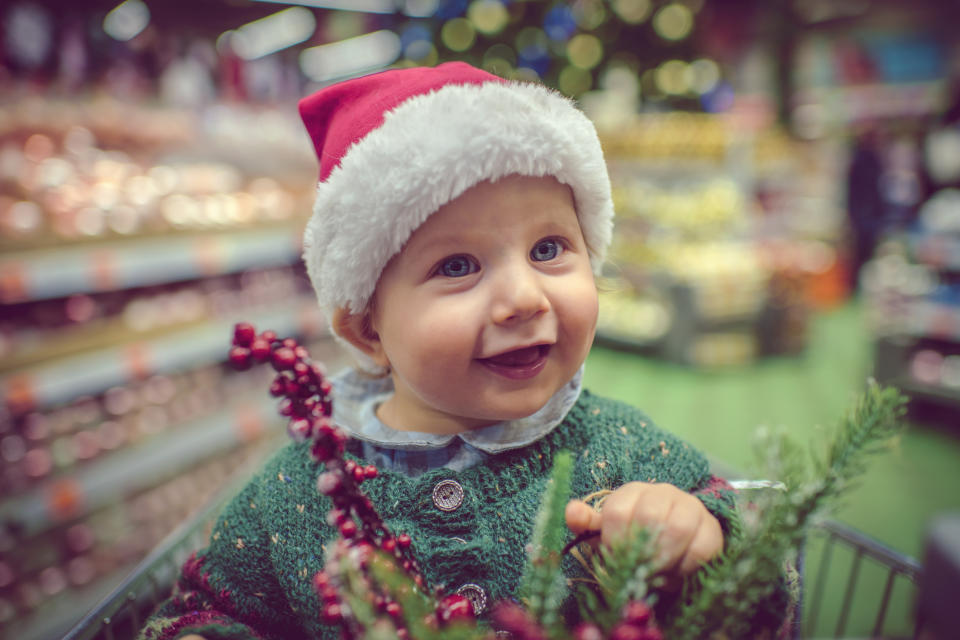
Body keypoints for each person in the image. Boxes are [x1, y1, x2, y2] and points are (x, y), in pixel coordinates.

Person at [139, 62, 770, 640]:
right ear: (367, 332)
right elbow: (203, 609)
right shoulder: (296, 495)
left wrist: (702, 535)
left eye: (549, 249)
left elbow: (760, 581)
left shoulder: (630, 452)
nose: (523, 298)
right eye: (458, 265)